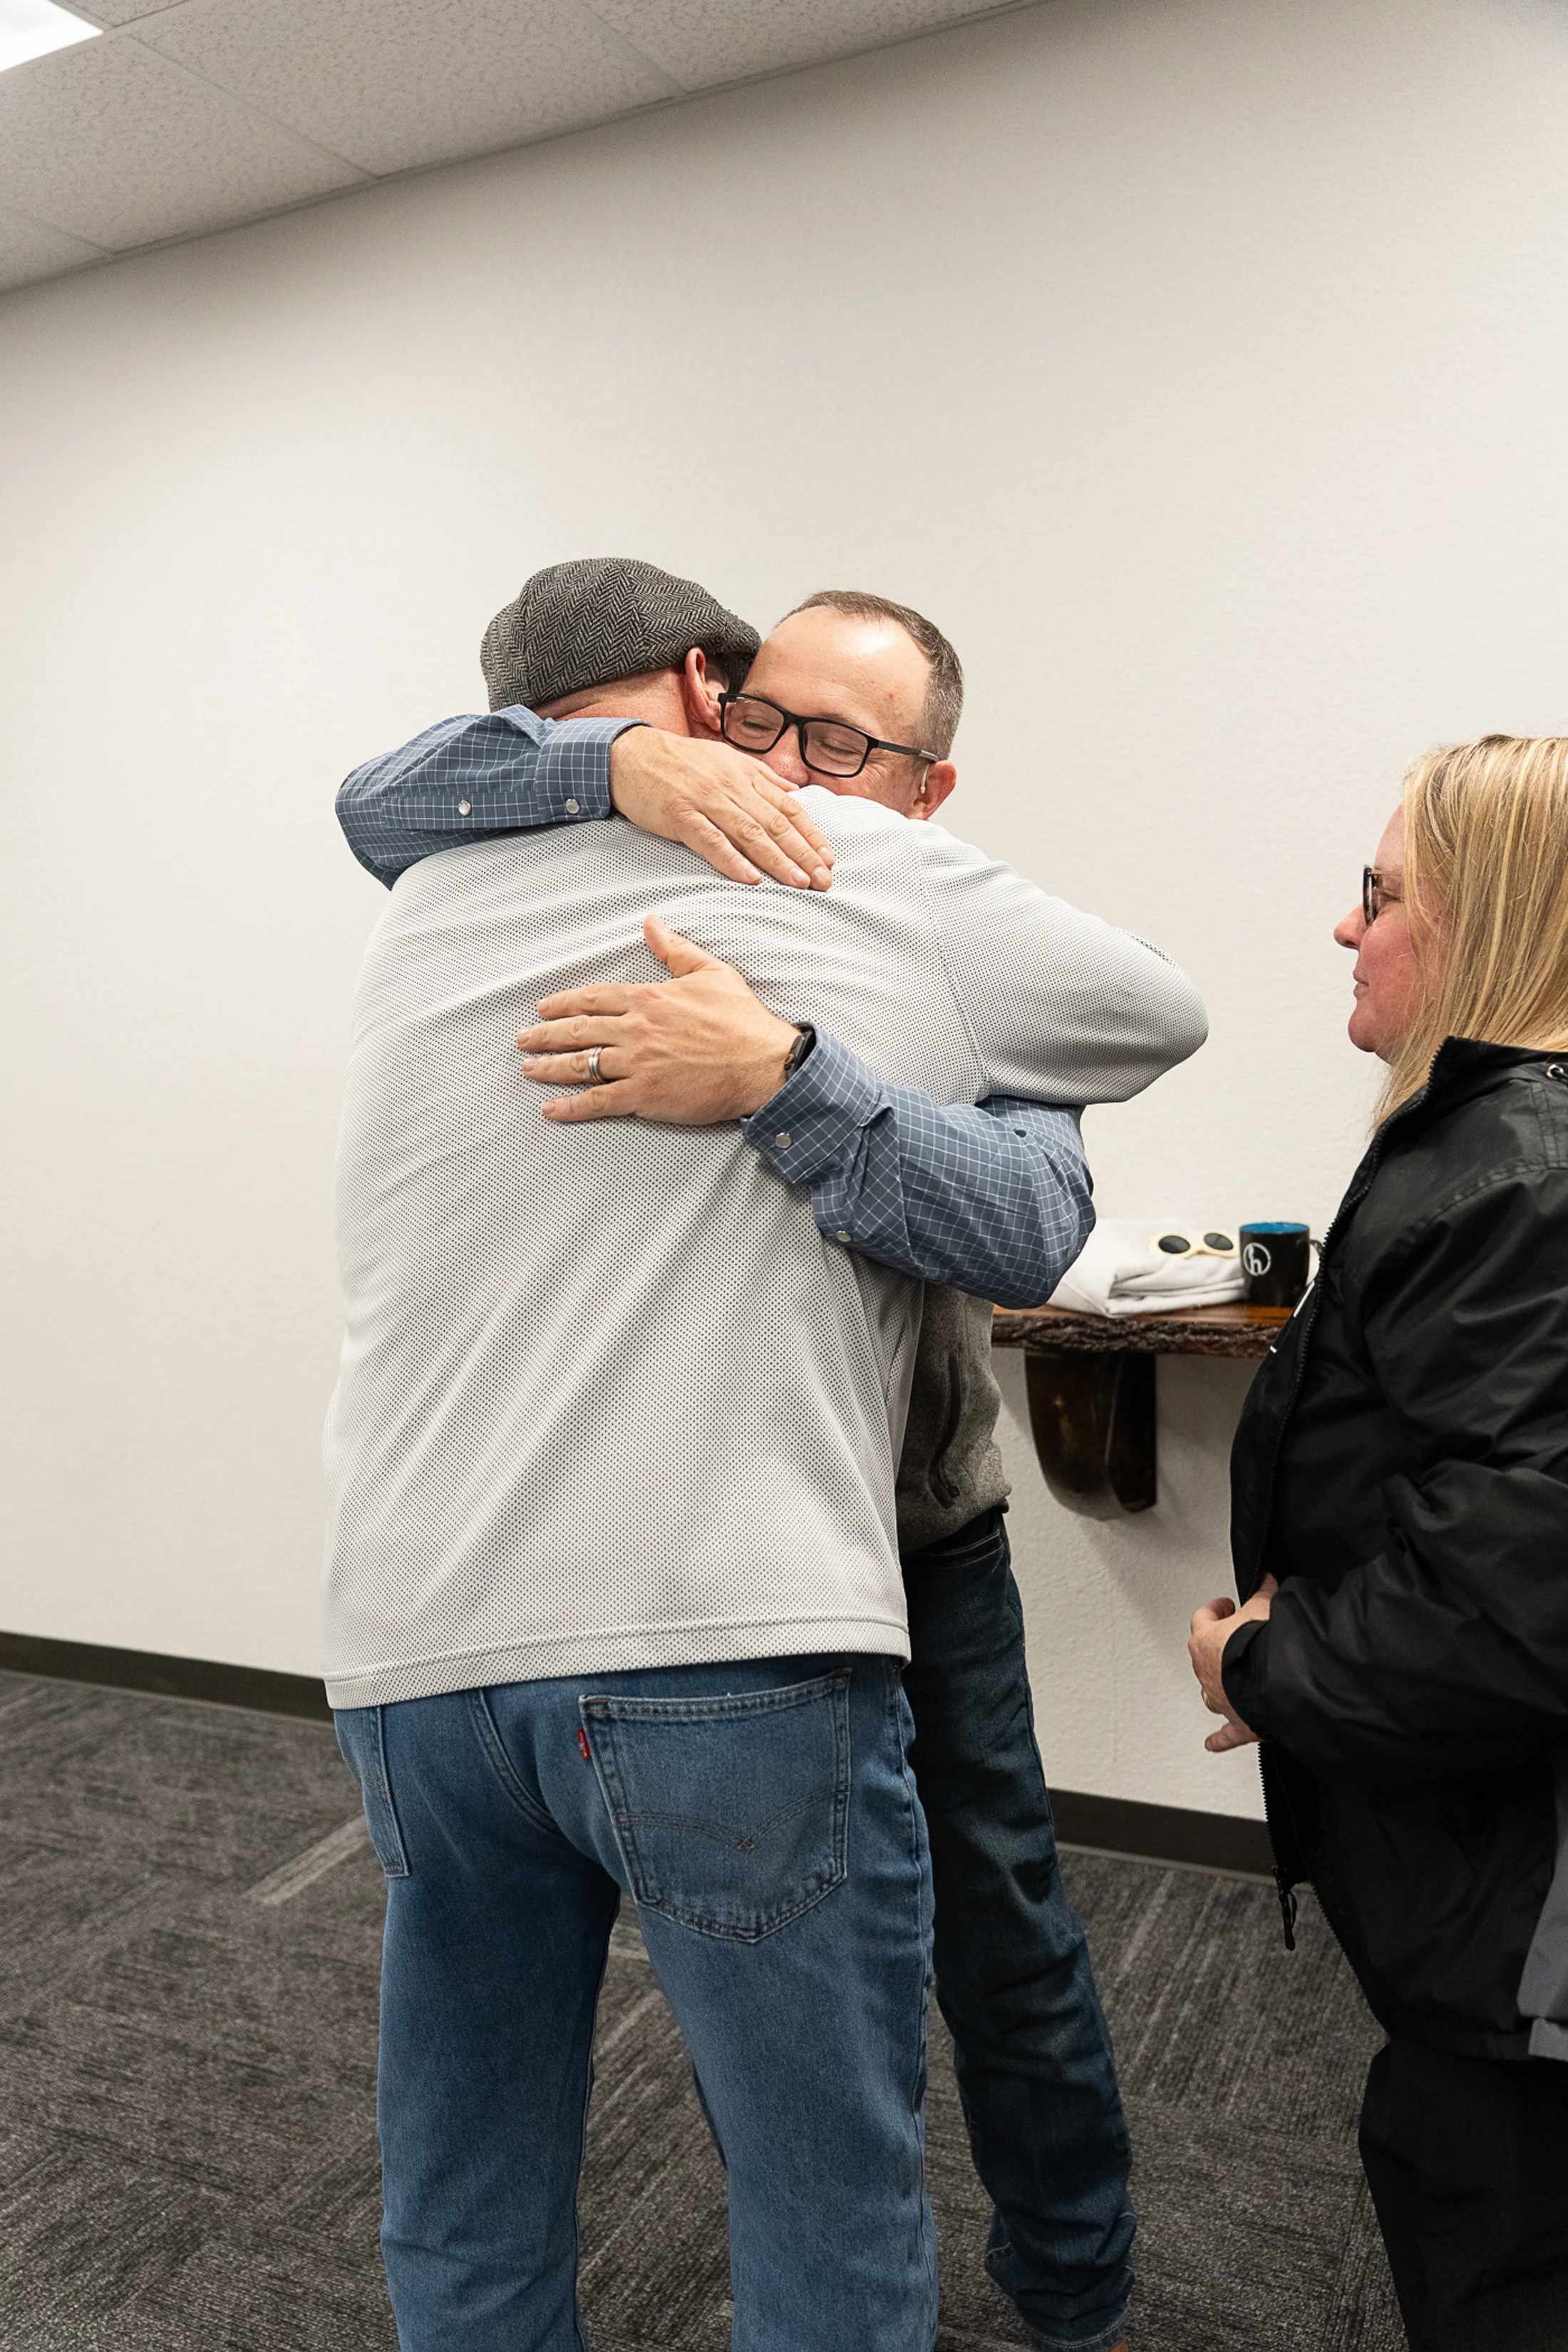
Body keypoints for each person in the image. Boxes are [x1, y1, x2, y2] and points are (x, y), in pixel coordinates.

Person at [338, 562, 1197, 2350]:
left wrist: (789, 1073)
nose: (785, 767)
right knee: (825, 2185)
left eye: (840, 741)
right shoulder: (836, 873)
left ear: (928, 781)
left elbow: (1033, 1214)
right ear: (703, 695)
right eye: (755, 723)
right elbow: (1157, 1015)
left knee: (1000, 1950)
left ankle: (1072, 2278)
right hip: (741, 1612)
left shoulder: (427, 907)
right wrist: (613, 782)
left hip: (624, 1592)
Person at [1187, 735, 1568, 2352]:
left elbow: (1510, 1613)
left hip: (1524, 1931)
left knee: (1493, 2240)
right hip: (1494, 1880)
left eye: (1377, 891)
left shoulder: (1517, 1182)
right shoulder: (1494, 1153)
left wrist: (1259, 1656)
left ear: (1479, 920)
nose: (1347, 929)